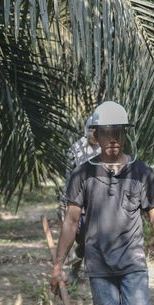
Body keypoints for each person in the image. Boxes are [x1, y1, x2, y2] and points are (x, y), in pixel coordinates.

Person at [50, 101, 154, 305]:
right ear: (96, 135)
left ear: (124, 134)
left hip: (133, 265)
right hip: (99, 266)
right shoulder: (82, 174)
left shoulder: (142, 173)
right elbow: (71, 222)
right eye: (106, 132)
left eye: (118, 131)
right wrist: (58, 267)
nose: (113, 137)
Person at [58, 116, 101, 282]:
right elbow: (69, 179)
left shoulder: (105, 149)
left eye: (96, 130)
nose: (94, 133)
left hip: (101, 202)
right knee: (83, 238)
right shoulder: (76, 150)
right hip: (80, 203)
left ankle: (95, 271)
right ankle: (76, 268)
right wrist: (66, 202)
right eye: (91, 129)